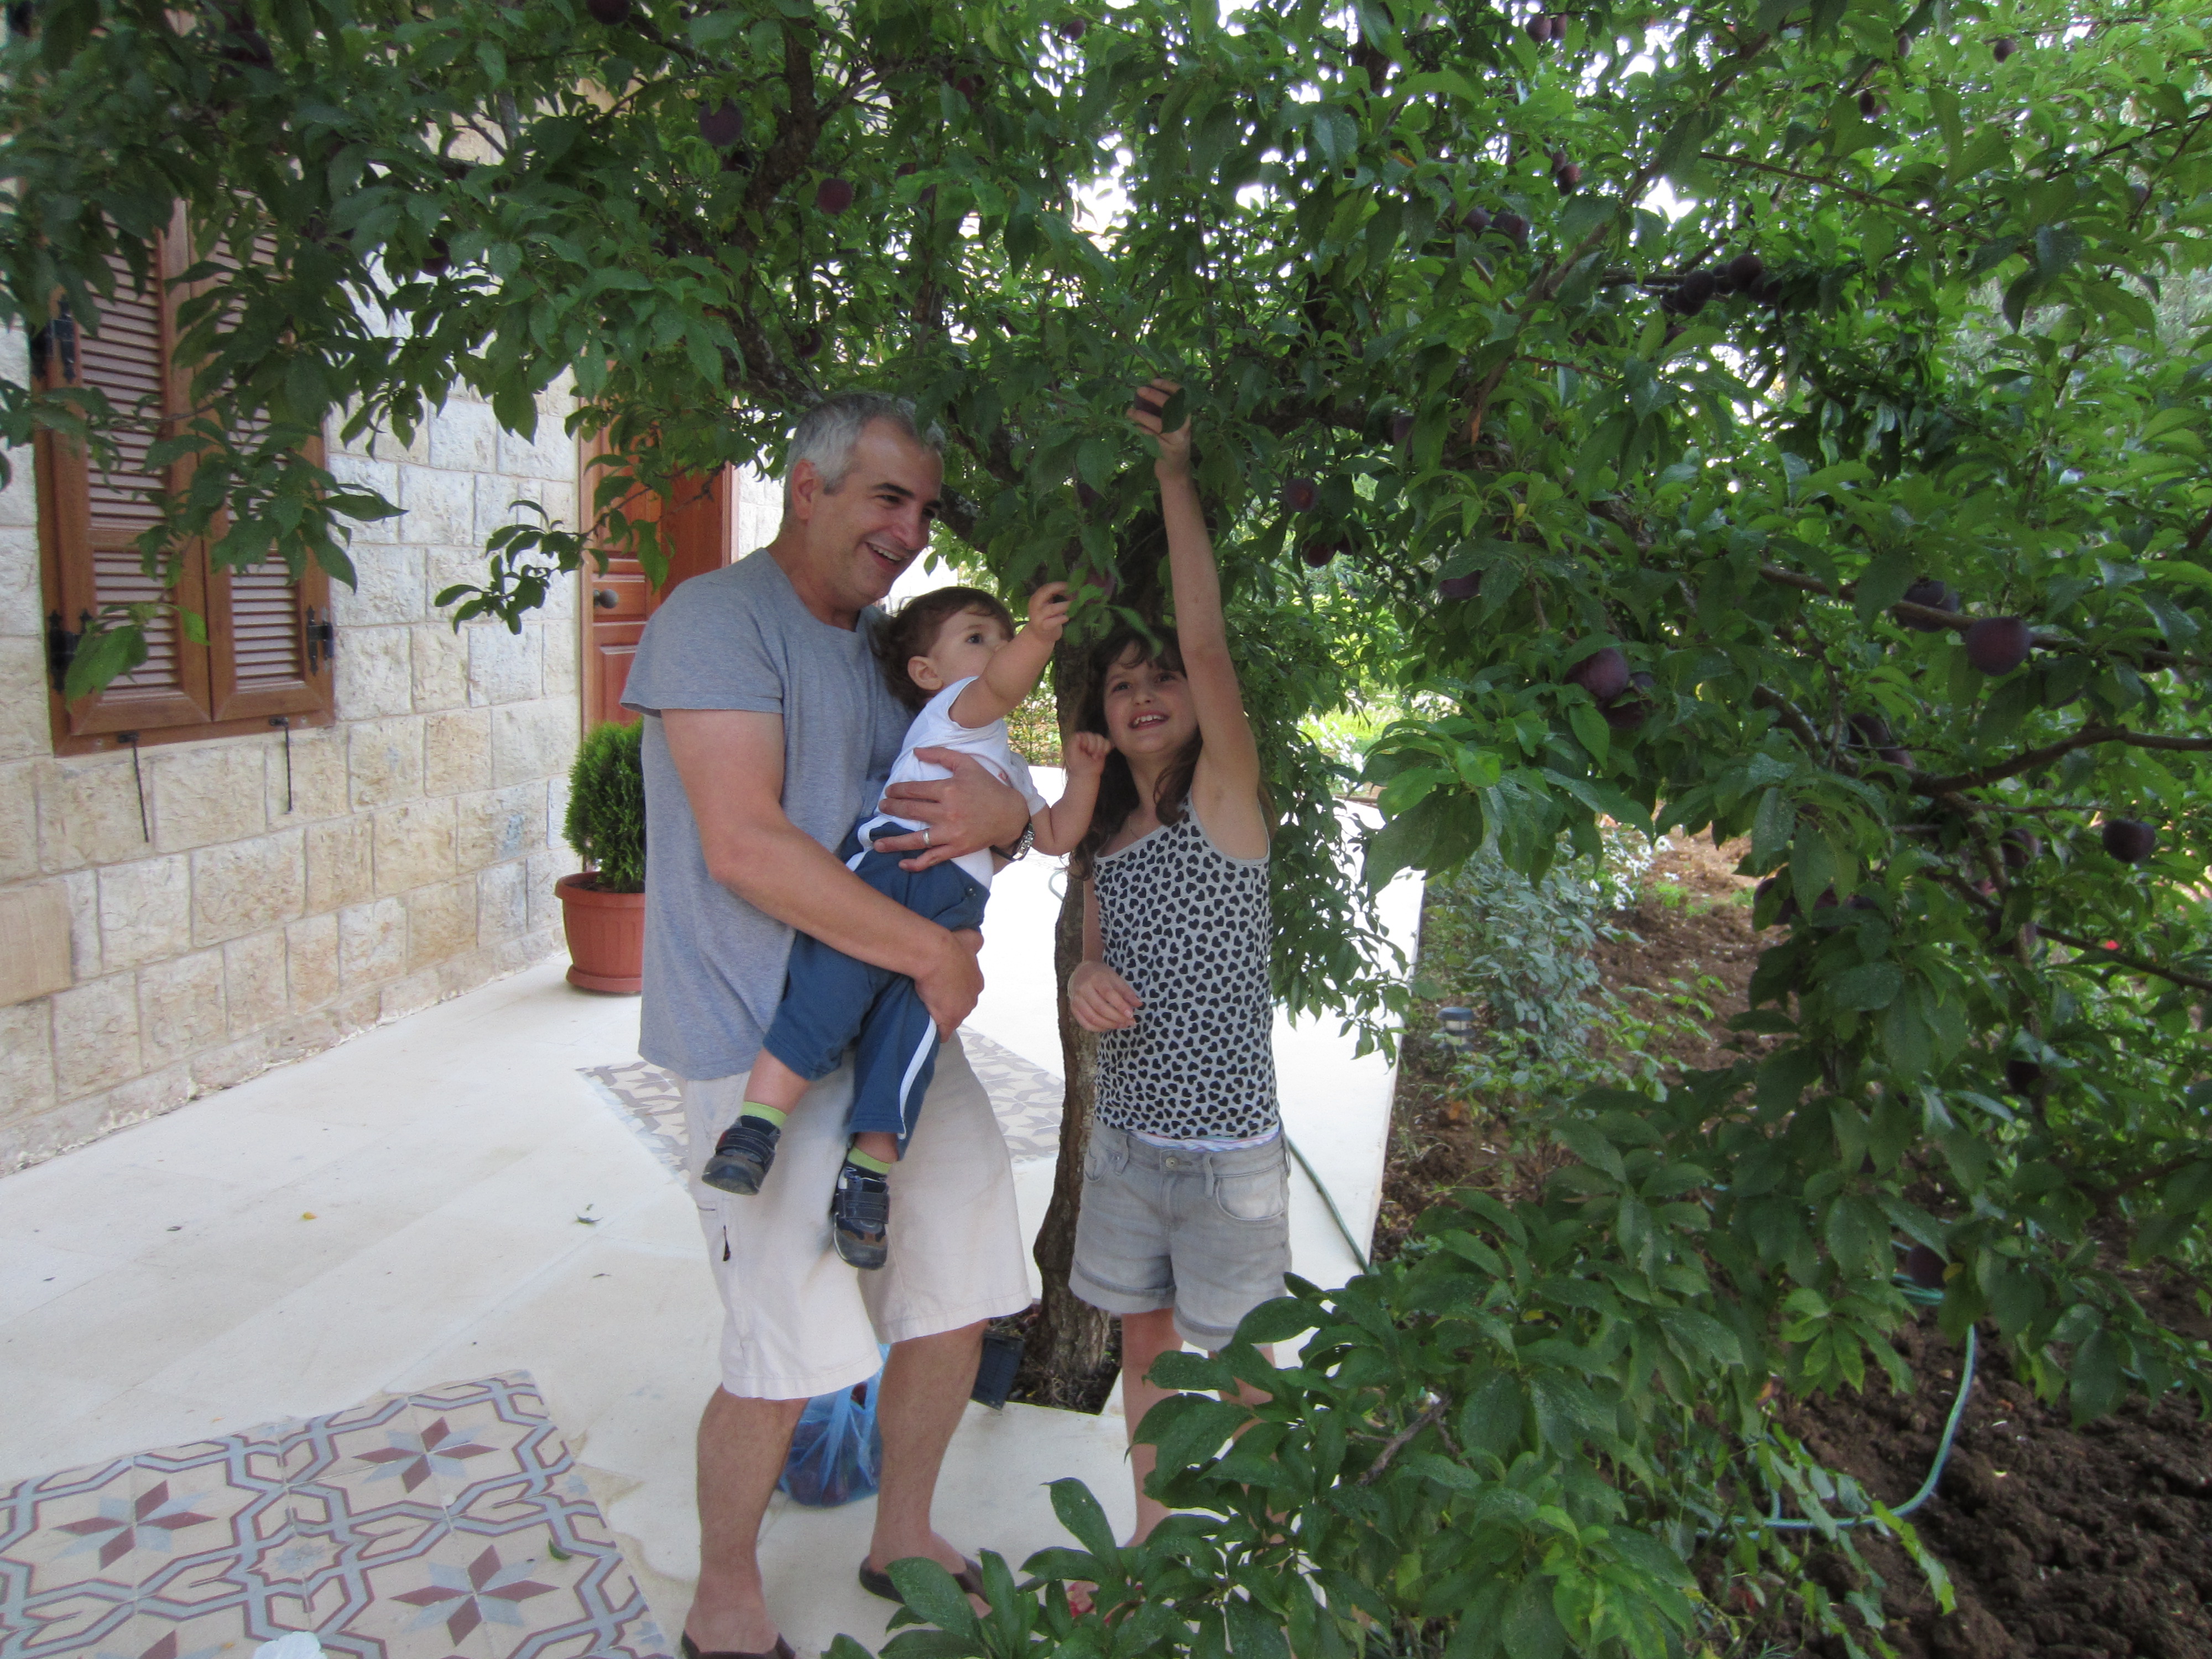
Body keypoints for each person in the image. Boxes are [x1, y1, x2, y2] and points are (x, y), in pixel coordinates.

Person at [620, 393, 1037, 1659]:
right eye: (885, 497)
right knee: (783, 1337)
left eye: (923, 507)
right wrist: (930, 949)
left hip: (898, 1031)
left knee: (956, 1282)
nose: (910, 529)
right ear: (807, 486)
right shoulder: (717, 622)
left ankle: (900, 1532)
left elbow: (947, 810)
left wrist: (1004, 823)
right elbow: (747, 843)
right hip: (760, 1035)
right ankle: (726, 1592)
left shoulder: (874, 650)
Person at [701, 580, 1110, 1270]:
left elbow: (1053, 836)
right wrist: (1038, 638)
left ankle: (868, 1176)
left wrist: (1084, 779)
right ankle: (753, 1131)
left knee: (911, 1041)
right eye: (979, 638)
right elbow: (1003, 688)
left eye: (1003, 636)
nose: (1001, 649)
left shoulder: (1006, 762)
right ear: (927, 673)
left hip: (952, 916)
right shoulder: (955, 713)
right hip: (894, 883)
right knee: (825, 998)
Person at [1065, 380, 1286, 1545]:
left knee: (1243, 1374)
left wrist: (1171, 475)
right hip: (1128, 1150)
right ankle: (1156, 1542)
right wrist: (1079, 985)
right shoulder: (1108, 834)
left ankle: (1248, 1553)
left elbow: (1203, 638)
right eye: (1121, 681)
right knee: (1140, 1351)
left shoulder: (1223, 799)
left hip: (1225, 1166)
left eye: (1160, 679)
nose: (1147, 691)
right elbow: (1097, 962)